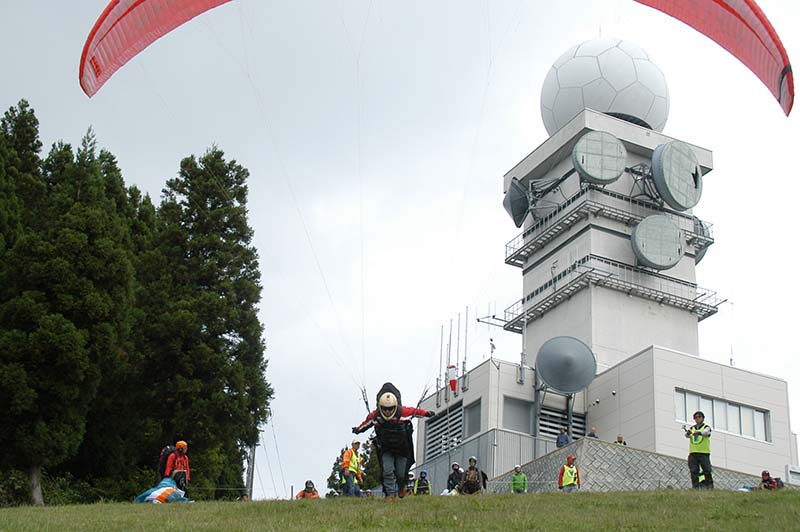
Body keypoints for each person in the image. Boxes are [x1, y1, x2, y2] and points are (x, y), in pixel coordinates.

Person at [353, 382, 434, 501]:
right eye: (384, 409)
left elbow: (414, 411)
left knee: (401, 473)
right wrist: (358, 429)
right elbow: (366, 423)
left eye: (390, 409)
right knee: (387, 470)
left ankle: (401, 485)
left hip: (402, 448)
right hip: (386, 448)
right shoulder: (376, 416)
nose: (387, 411)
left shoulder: (402, 412)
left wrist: (426, 413)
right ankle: (390, 495)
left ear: (395, 406)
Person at [685, 410, 713, 489]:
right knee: (694, 471)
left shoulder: (706, 427)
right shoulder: (692, 428)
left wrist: (699, 433)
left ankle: (709, 486)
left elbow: (706, 432)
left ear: (703, 418)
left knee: (707, 470)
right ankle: (695, 486)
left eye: (699, 417)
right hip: (693, 452)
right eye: (695, 417)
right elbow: (687, 435)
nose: (697, 419)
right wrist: (688, 433)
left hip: (704, 452)